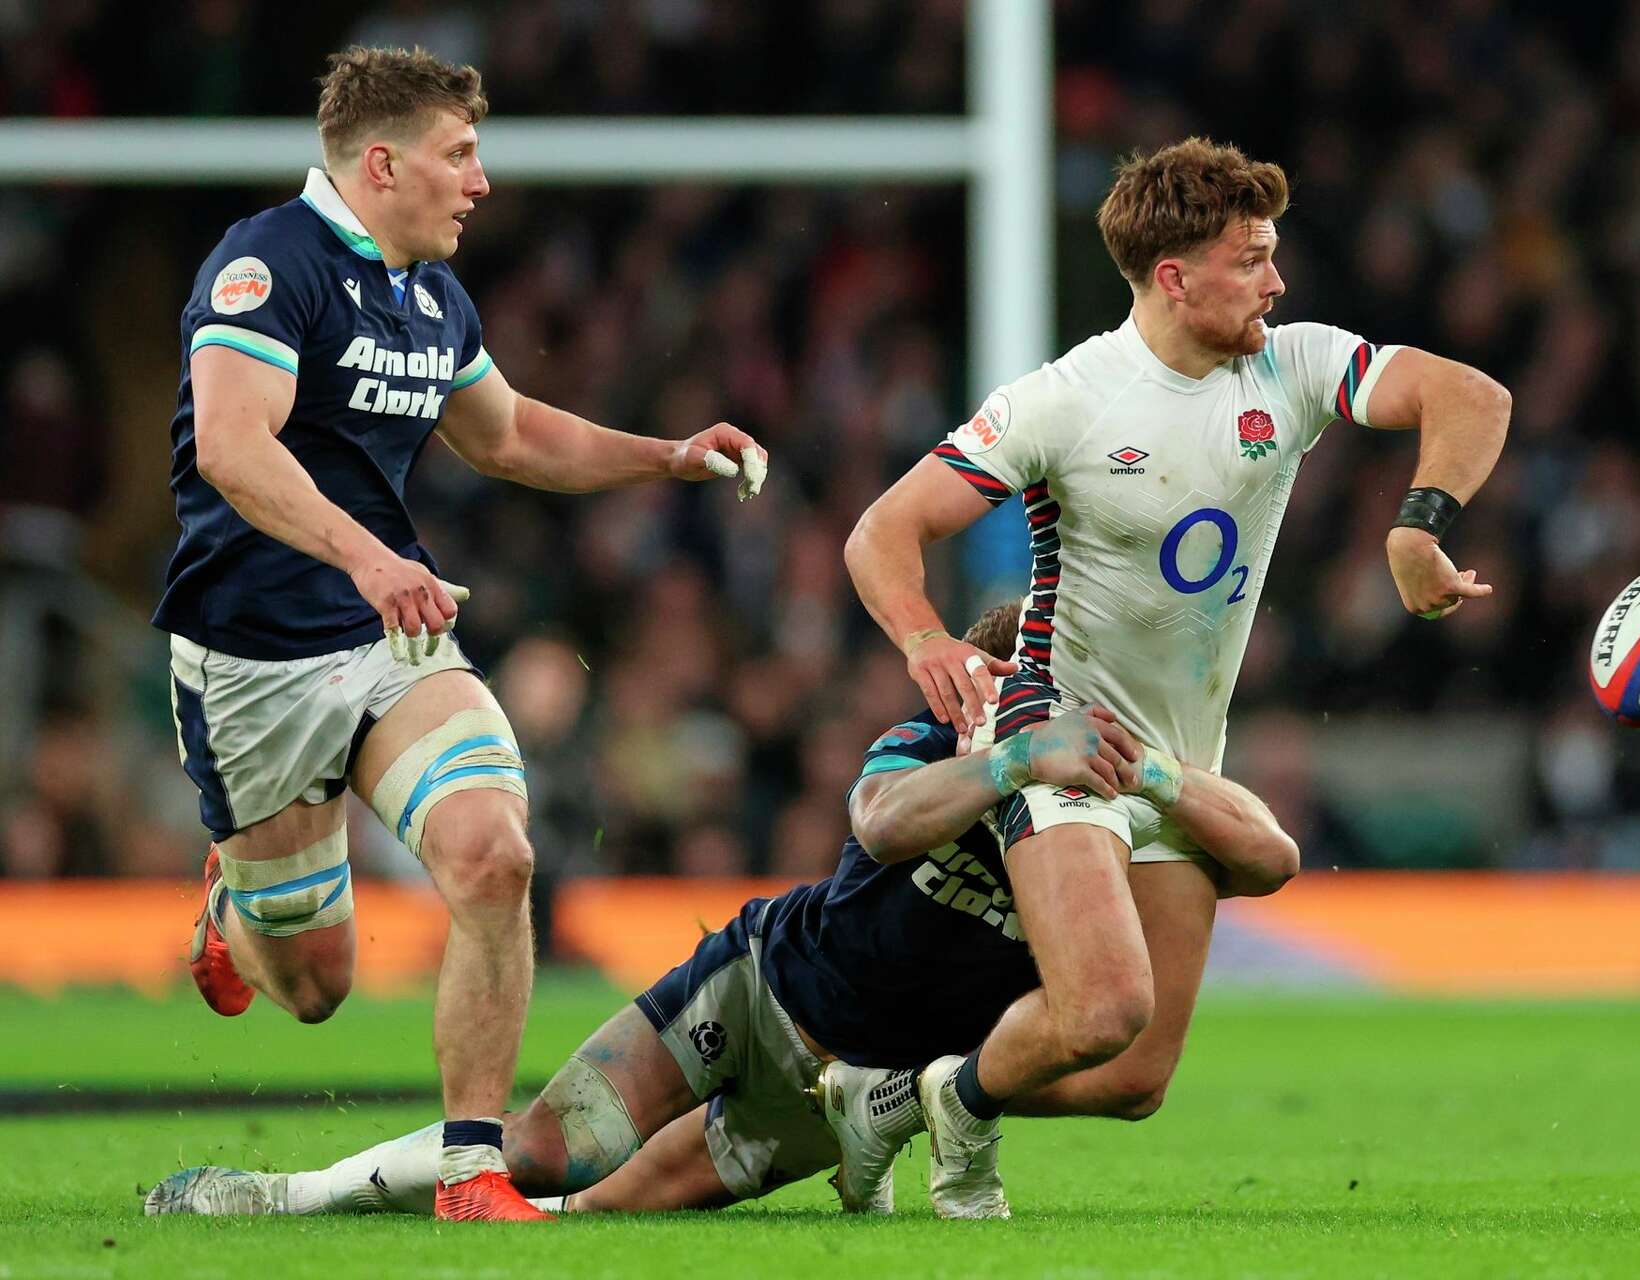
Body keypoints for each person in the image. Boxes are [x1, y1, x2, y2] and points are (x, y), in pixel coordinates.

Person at [837, 136, 1511, 1212]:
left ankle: (907, 1095)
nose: (1276, 282)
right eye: (1251, 260)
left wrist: (1419, 525)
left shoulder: (1290, 366)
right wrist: (928, 641)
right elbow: (883, 532)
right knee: (1102, 1006)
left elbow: (1472, 396)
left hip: (1178, 748)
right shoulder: (1065, 400)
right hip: (1063, 727)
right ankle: (953, 1123)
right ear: (1173, 276)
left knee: (1136, 1075)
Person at [152, 46, 767, 1223]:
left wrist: (668, 453)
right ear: (382, 164)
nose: (480, 182)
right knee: (317, 984)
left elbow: (510, 434)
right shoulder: (263, 265)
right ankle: (238, 900)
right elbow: (234, 447)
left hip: (390, 633)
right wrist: (370, 554)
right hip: (251, 661)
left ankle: (471, 1167)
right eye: (460, 155)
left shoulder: (431, 294)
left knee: (497, 853)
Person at [143, 605, 1296, 1220]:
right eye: (990, 690)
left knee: (596, 1215)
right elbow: (885, 819)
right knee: (540, 1155)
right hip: (755, 992)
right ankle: (278, 1194)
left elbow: (1271, 849)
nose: (991, 704)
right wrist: (1003, 762)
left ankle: (889, 1116)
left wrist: (1148, 772)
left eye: (1012, 693)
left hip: (833, 1097)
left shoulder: (1105, 816)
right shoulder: (934, 747)